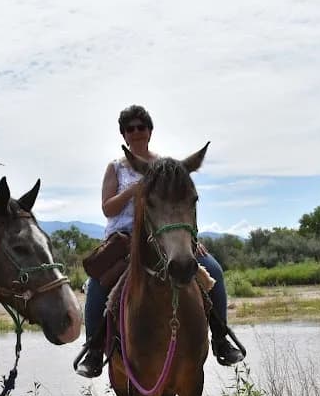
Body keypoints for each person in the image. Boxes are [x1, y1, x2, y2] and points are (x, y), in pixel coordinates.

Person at [75, 105, 244, 378]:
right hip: (124, 241)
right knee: (97, 285)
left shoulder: (166, 166)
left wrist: (189, 239)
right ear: (124, 134)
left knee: (213, 271)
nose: (136, 131)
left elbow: (180, 205)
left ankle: (220, 337)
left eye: (142, 126)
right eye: (130, 128)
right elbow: (108, 209)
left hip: (165, 238)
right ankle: (94, 350)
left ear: (150, 131)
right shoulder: (115, 168)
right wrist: (134, 190)